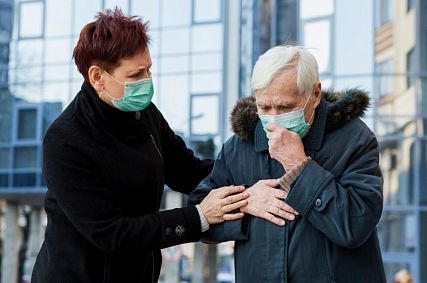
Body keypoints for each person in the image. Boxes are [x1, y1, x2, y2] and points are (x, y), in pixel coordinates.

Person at [31, 9, 249, 283]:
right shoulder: (65, 140)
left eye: (149, 69)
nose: (147, 81)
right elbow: (113, 234)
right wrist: (199, 217)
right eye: (136, 75)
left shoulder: (145, 114)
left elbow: (190, 171)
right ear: (98, 77)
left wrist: (250, 182)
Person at [189, 45, 386, 282]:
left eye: (285, 107)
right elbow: (201, 218)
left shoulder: (355, 139)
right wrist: (244, 202)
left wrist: (300, 167)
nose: (273, 118)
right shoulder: (239, 146)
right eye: (264, 107)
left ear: (315, 95)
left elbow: (355, 225)